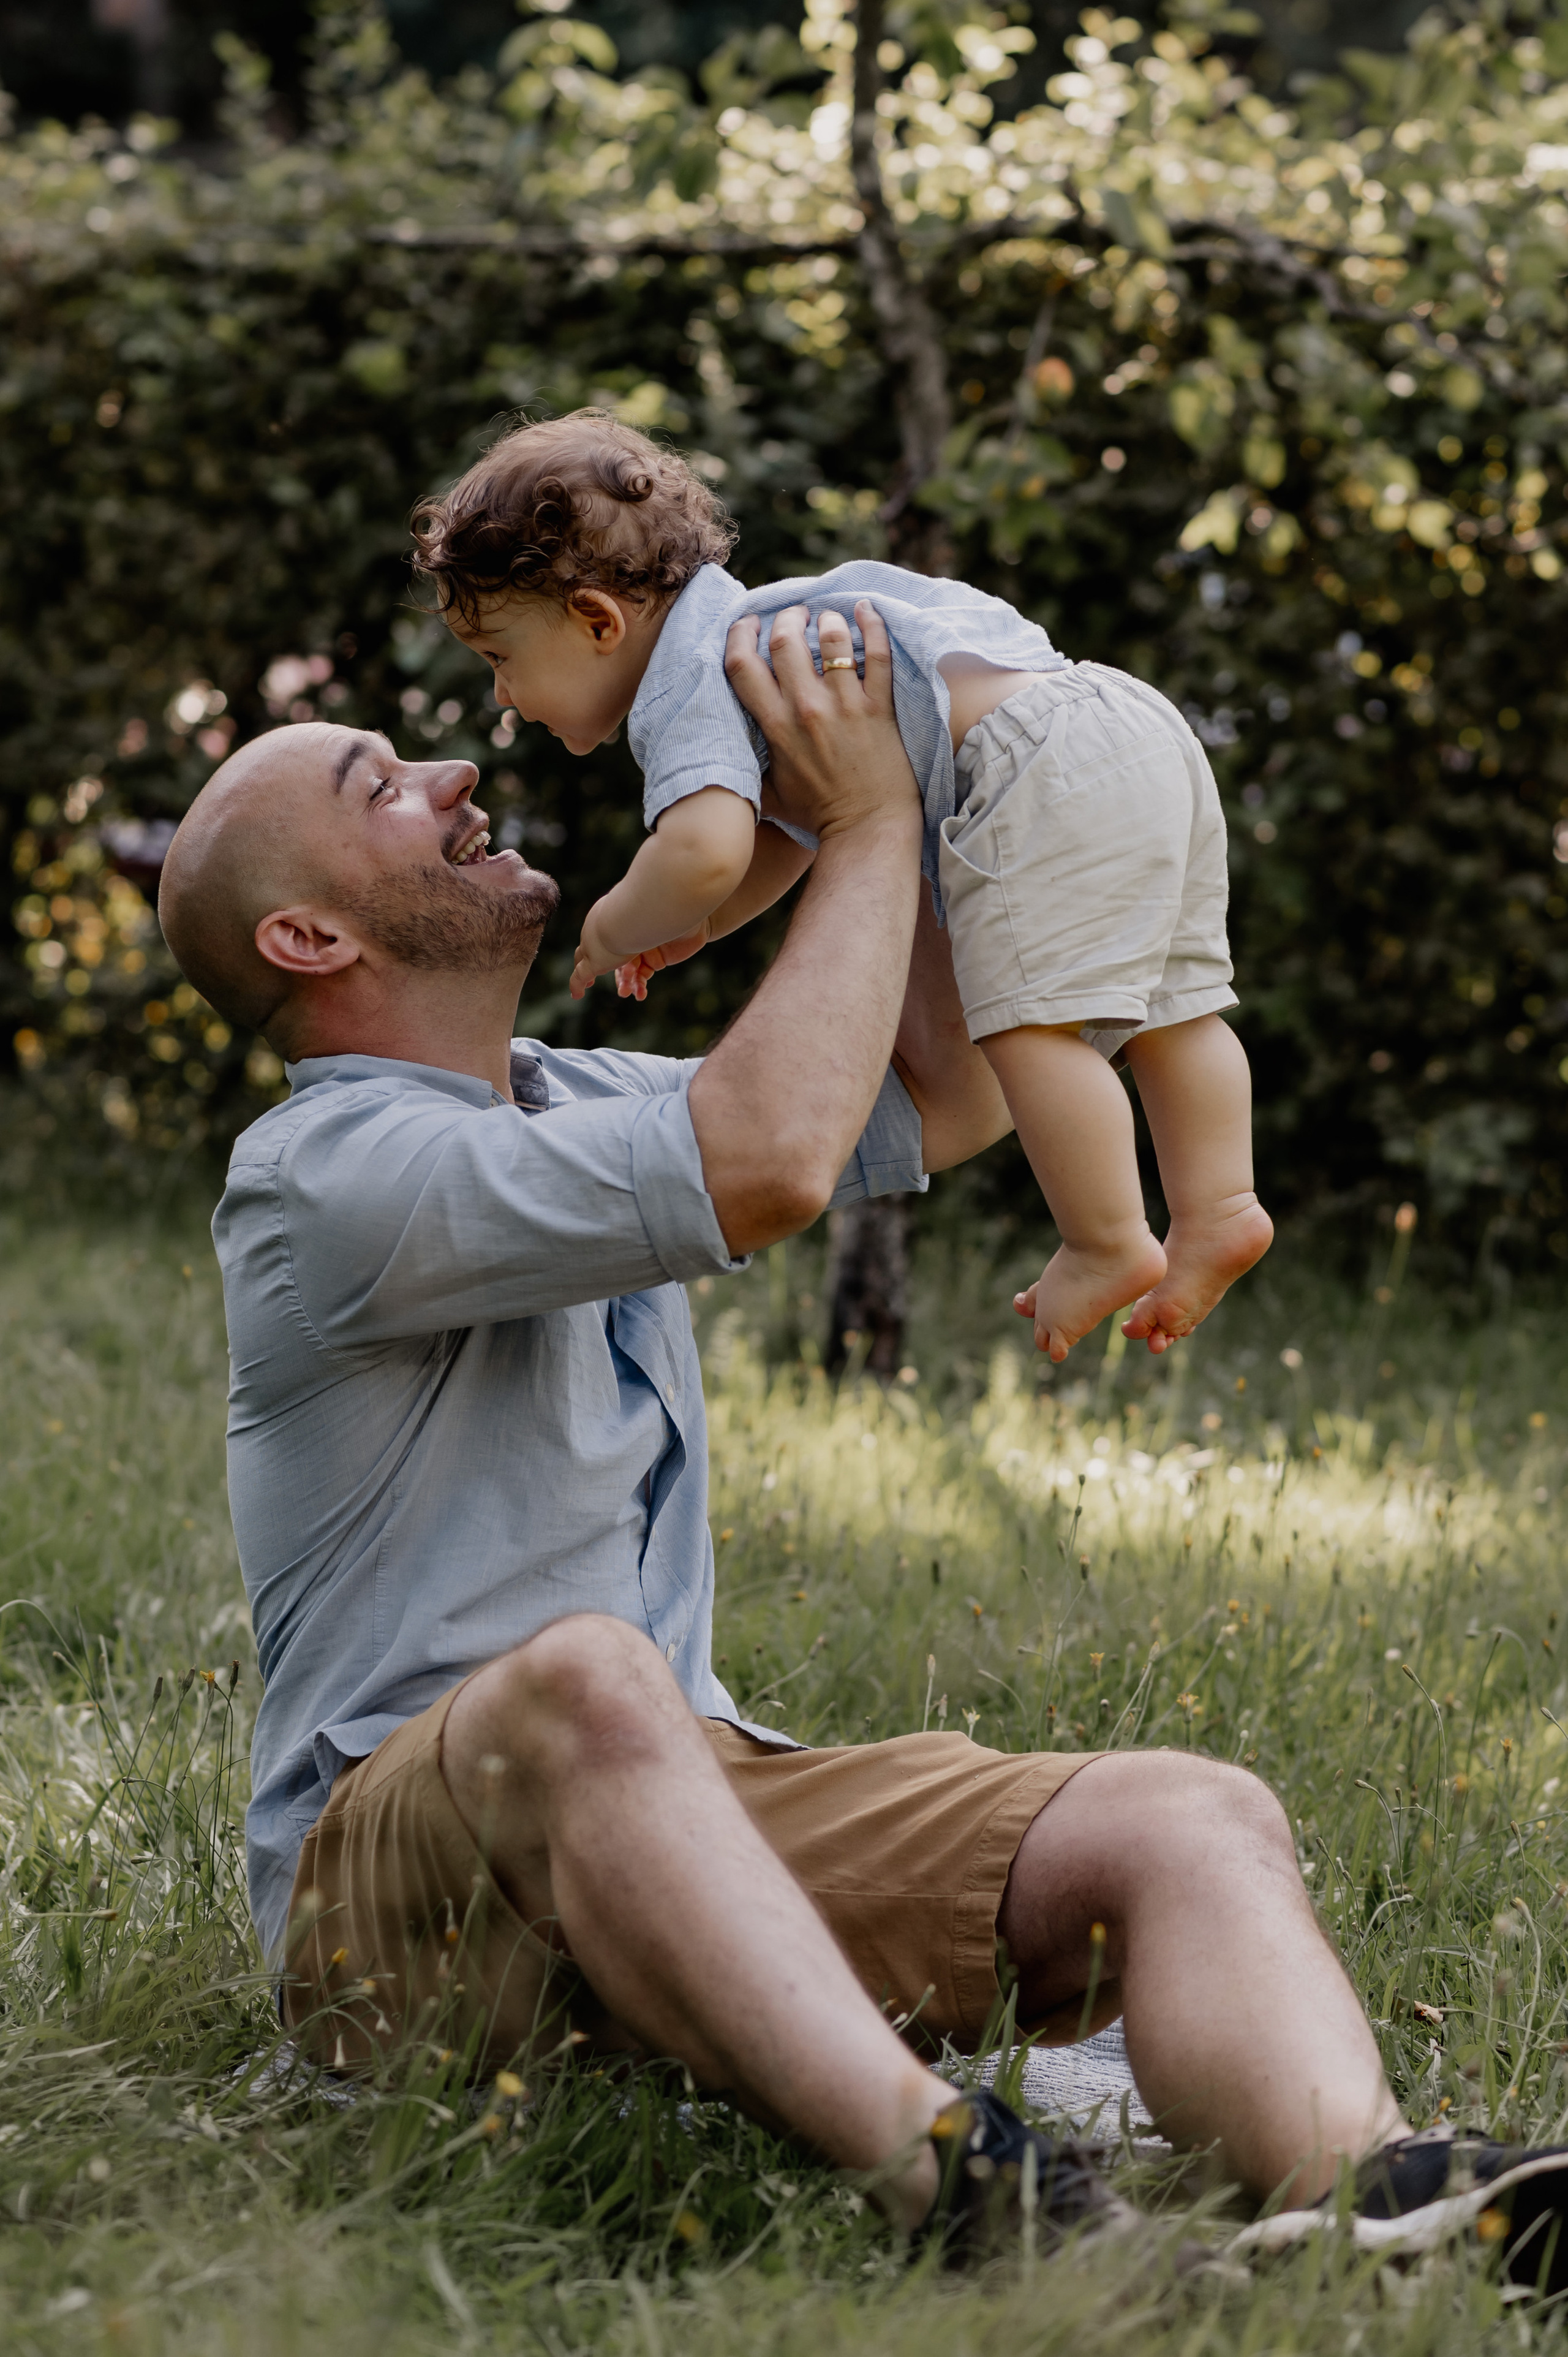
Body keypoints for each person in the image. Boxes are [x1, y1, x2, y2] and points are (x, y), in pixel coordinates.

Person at [158, 606, 1567, 2285]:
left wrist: (966, 767)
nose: (459, 767)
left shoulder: (574, 1093)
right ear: (311, 935)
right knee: (587, 1674)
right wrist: (875, 823)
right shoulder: (323, 1178)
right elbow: (762, 1162)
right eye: (383, 783)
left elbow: (935, 1091)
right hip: (389, 1899)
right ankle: (980, 2203)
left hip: (677, 1791)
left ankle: (1370, 2203)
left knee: (1188, 1813)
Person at [410, 409, 1273, 1369]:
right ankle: (1222, 1207)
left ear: (597, 621)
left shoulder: (688, 678)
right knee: (1174, 1011)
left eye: (501, 660)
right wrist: (709, 923)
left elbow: (703, 848)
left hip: (1028, 769)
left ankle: (1108, 1235)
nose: (502, 698)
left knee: (1029, 1028)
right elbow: (793, 835)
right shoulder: (768, 621)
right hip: (1123, 723)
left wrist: (619, 918)